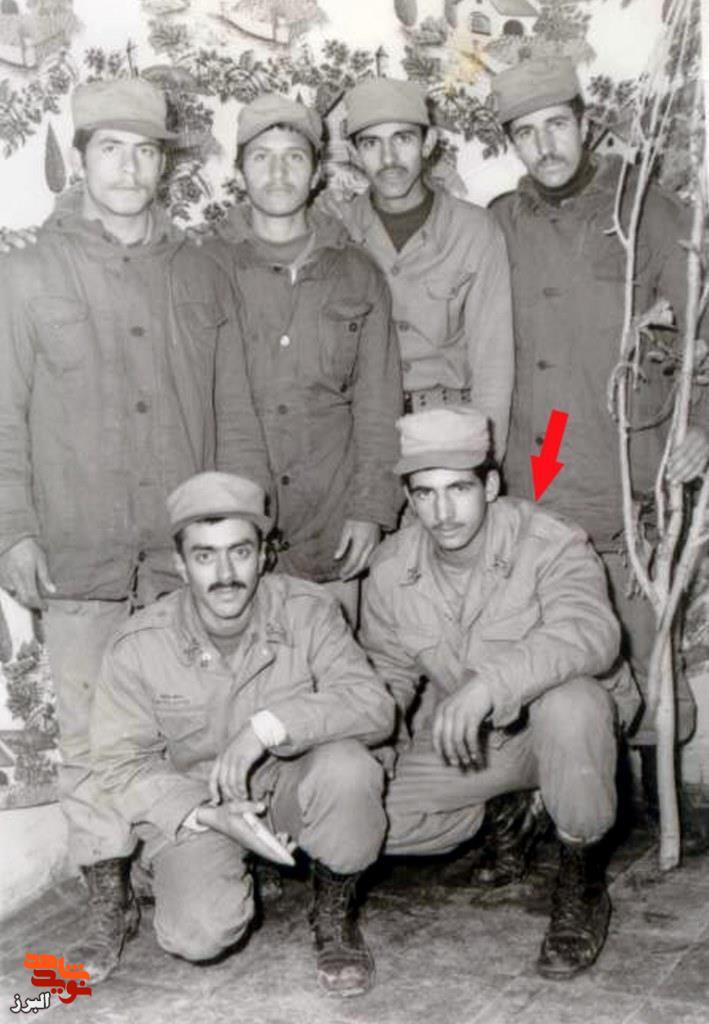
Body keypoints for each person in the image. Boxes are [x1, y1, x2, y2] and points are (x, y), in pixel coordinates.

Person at [0, 79, 269, 980]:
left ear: (165, 165)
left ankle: (190, 864)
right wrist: (13, 529)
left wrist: (236, 533)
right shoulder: (26, 271)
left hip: (181, 560)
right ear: (80, 159)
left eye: (145, 150)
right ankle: (106, 900)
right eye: (109, 148)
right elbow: (1, 414)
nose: (127, 167)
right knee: (89, 738)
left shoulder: (201, 271)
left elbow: (235, 413)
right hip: (76, 553)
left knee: (189, 722)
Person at [489, 58, 709, 837]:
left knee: (637, 628)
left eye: (556, 124)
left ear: (585, 124)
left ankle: (653, 795)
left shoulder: (646, 209)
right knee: (546, 627)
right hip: (540, 449)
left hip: (623, 452)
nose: (544, 145)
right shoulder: (500, 221)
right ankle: (555, 795)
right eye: (525, 133)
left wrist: (700, 423)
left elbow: (701, 325)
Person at [90, 471, 395, 996]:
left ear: (264, 556)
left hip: (290, 787)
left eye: (240, 552)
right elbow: (119, 764)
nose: (226, 574)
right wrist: (209, 816)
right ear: (180, 565)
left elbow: (374, 706)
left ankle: (334, 915)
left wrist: (266, 727)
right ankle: (166, 870)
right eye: (205, 556)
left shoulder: (309, 611)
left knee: (350, 769)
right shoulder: (138, 645)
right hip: (203, 805)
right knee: (197, 935)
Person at [361, 406, 626, 978]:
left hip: (568, 734)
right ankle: (504, 814)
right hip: (480, 744)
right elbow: (387, 673)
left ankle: (581, 882)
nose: (442, 512)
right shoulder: (390, 569)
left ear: (490, 485)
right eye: (425, 493)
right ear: (408, 499)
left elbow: (592, 632)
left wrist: (490, 684)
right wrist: (369, 746)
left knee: (572, 702)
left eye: (458, 489)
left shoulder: (550, 541)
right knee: (353, 818)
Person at [206, 94, 402, 624]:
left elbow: (379, 405)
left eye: (294, 157)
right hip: (231, 535)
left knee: (330, 670)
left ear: (316, 172)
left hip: (331, 530)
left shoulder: (357, 272)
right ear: (240, 170)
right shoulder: (202, 268)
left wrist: (370, 509)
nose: (277, 173)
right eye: (261, 156)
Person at [325, 77, 514, 458]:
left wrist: (485, 462)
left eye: (403, 138)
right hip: (360, 434)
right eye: (371, 143)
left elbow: (493, 363)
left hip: (449, 429)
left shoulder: (474, 230)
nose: (389, 159)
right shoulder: (336, 231)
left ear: (428, 143)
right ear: (355, 154)